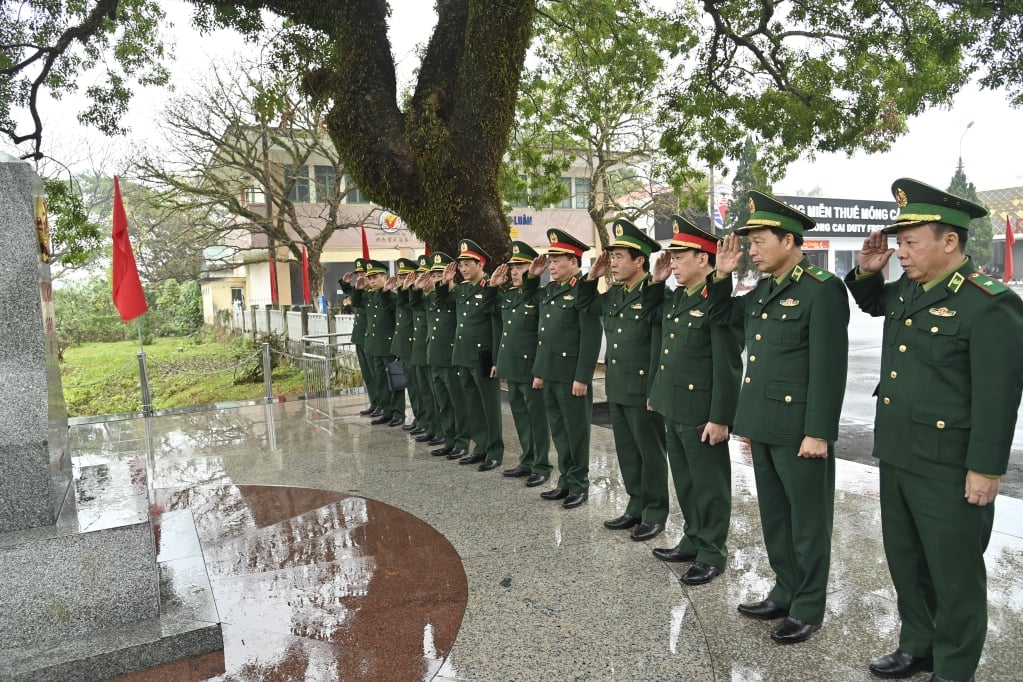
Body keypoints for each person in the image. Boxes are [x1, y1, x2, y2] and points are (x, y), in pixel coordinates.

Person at [845, 178, 1023, 682]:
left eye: (910, 242)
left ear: (950, 241)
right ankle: (917, 644)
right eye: (898, 243)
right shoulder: (908, 292)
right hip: (900, 453)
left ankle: (954, 666)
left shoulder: (988, 303)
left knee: (955, 574)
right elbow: (875, 304)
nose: (901, 252)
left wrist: (986, 469)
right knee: (907, 562)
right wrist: (865, 272)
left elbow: (999, 397)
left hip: (949, 465)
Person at [710, 191, 849, 644]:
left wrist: (818, 432)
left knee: (807, 523)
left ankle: (808, 606)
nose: (751, 250)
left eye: (758, 241)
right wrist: (721, 277)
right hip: (763, 426)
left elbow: (830, 367)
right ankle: (784, 590)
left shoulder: (822, 289)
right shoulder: (763, 290)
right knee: (775, 517)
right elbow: (721, 318)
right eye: (748, 243)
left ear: (789, 241)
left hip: (799, 431)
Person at [647, 216, 743, 585]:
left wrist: (721, 417)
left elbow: (727, 365)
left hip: (702, 412)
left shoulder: (715, 304)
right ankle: (692, 538)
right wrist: (658, 395)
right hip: (674, 406)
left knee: (709, 485)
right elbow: (665, 350)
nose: (673, 263)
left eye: (680, 256)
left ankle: (712, 552)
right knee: (686, 482)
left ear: (704, 259)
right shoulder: (676, 299)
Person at [581, 218, 668, 541]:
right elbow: (585, 307)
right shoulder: (615, 294)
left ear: (639, 261)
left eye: (619, 257)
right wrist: (592, 277)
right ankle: (636, 506)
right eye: (612, 257)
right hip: (618, 386)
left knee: (651, 453)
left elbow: (660, 345)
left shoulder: (655, 294)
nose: (613, 263)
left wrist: (655, 390)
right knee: (628, 452)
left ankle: (656, 512)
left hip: (643, 389)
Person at [529, 229, 601, 508]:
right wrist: (539, 372)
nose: (552, 265)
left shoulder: (582, 291)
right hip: (550, 374)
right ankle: (565, 481)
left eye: (558, 260)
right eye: (551, 261)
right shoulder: (550, 291)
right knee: (559, 432)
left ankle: (579, 484)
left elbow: (590, 337)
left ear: (574, 261)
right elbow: (542, 334)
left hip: (572, 377)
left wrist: (582, 376)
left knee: (576, 433)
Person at [489, 241, 552, 488]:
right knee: (520, 416)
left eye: (521, 266)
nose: (515, 271)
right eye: (512, 267)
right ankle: (527, 460)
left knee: (537, 418)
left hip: (530, 368)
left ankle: (542, 465)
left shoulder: (539, 295)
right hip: (512, 367)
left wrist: (540, 370)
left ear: (534, 267)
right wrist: (494, 286)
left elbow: (543, 336)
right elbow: (490, 312)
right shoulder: (509, 297)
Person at [438, 240, 504, 470]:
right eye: (461, 265)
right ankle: (481, 446)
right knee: (472, 405)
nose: (463, 269)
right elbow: (443, 303)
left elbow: (497, 326)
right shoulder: (462, 288)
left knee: (489, 406)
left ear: (480, 264)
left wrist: (496, 359)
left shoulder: (490, 288)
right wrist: (445, 282)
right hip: (463, 355)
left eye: (467, 264)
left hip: (483, 356)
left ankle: (495, 450)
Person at [417, 252, 469, 460]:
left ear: (450, 273)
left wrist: (446, 284)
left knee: (457, 403)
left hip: (451, 357)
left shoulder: (456, 294)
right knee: (444, 403)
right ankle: (449, 439)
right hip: (435, 357)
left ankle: (462, 441)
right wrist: (417, 288)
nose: (437, 277)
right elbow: (413, 304)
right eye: (434, 273)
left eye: (441, 273)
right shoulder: (433, 296)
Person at [359, 259, 406, 427]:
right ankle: (386, 411)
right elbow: (356, 303)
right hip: (374, 345)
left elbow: (397, 321)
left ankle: (398, 413)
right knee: (380, 380)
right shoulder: (370, 296)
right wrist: (357, 288)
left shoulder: (392, 296)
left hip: (388, 345)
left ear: (384, 277)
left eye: (375, 277)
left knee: (394, 379)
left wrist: (397, 346)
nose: (371, 281)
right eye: (369, 278)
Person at [340, 259, 381, 417]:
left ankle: (382, 403)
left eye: (364, 274)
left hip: (371, 338)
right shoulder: (359, 291)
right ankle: (374, 402)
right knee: (367, 374)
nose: (361, 277)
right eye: (359, 274)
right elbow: (351, 293)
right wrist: (345, 283)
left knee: (376, 374)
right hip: (359, 337)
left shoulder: (373, 293)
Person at [407, 255, 440, 445]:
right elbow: (411, 303)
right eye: (422, 275)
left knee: (437, 397)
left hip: (433, 352)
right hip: (421, 351)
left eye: (429, 275)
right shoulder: (425, 298)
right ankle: (430, 426)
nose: (425, 279)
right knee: (426, 394)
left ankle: (440, 430)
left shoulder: (437, 297)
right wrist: (415, 288)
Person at [388, 258, 421, 434]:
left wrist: (407, 289)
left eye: (406, 275)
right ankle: (418, 417)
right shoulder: (403, 293)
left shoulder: (414, 295)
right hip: (404, 347)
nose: (402, 279)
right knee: (412, 386)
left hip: (414, 346)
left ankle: (423, 418)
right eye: (400, 275)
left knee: (418, 387)